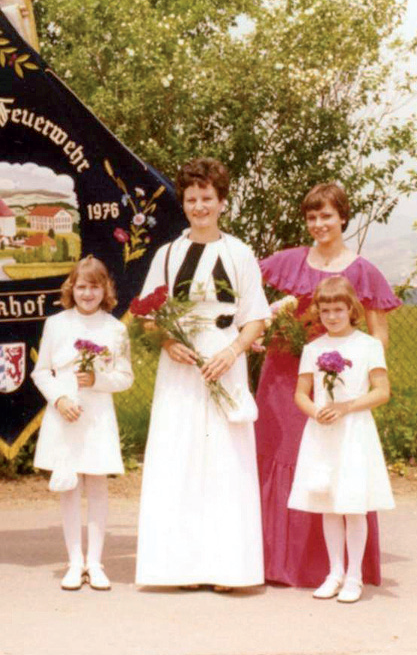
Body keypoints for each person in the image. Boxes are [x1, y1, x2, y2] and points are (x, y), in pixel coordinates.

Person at [255, 182, 401, 587]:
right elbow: (243, 288)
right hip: (284, 377)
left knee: (335, 461)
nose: (319, 224)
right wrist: (258, 326)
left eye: (327, 216)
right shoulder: (289, 260)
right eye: (312, 217)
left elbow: (378, 333)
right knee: (282, 455)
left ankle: (332, 569)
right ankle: (275, 563)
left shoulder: (364, 271)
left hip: (338, 383)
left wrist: (360, 377)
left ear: (342, 218)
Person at [134, 157, 270, 590]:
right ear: (184, 203)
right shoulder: (167, 255)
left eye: (207, 198)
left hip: (224, 364)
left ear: (222, 201)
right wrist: (167, 342)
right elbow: (147, 316)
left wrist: (232, 352)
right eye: (191, 199)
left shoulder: (239, 253)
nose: (199, 206)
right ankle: (180, 568)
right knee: (179, 457)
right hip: (181, 369)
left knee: (227, 461)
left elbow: (256, 318)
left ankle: (229, 569)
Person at [288, 276, 394, 603]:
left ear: (351, 309)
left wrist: (346, 407)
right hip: (324, 433)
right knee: (329, 504)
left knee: (353, 504)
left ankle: (354, 576)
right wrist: (315, 411)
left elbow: (382, 391)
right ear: (317, 312)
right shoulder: (313, 349)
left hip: (353, 432)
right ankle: (334, 573)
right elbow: (301, 394)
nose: (332, 316)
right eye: (325, 311)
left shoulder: (368, 346)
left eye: (338, 309)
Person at [31, 256, 133, 591]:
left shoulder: (115, 329)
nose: (87, 294)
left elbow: (125, 377)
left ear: (105, 290)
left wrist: (98, 379)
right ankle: (75, 562)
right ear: (71, 289)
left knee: (98, 485)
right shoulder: (56, 324)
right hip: (65, 415)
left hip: (97, 416)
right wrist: (59, 399)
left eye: (95, 287)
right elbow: (41, 372)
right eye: (81, 287)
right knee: (69, 486)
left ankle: (96, 563)